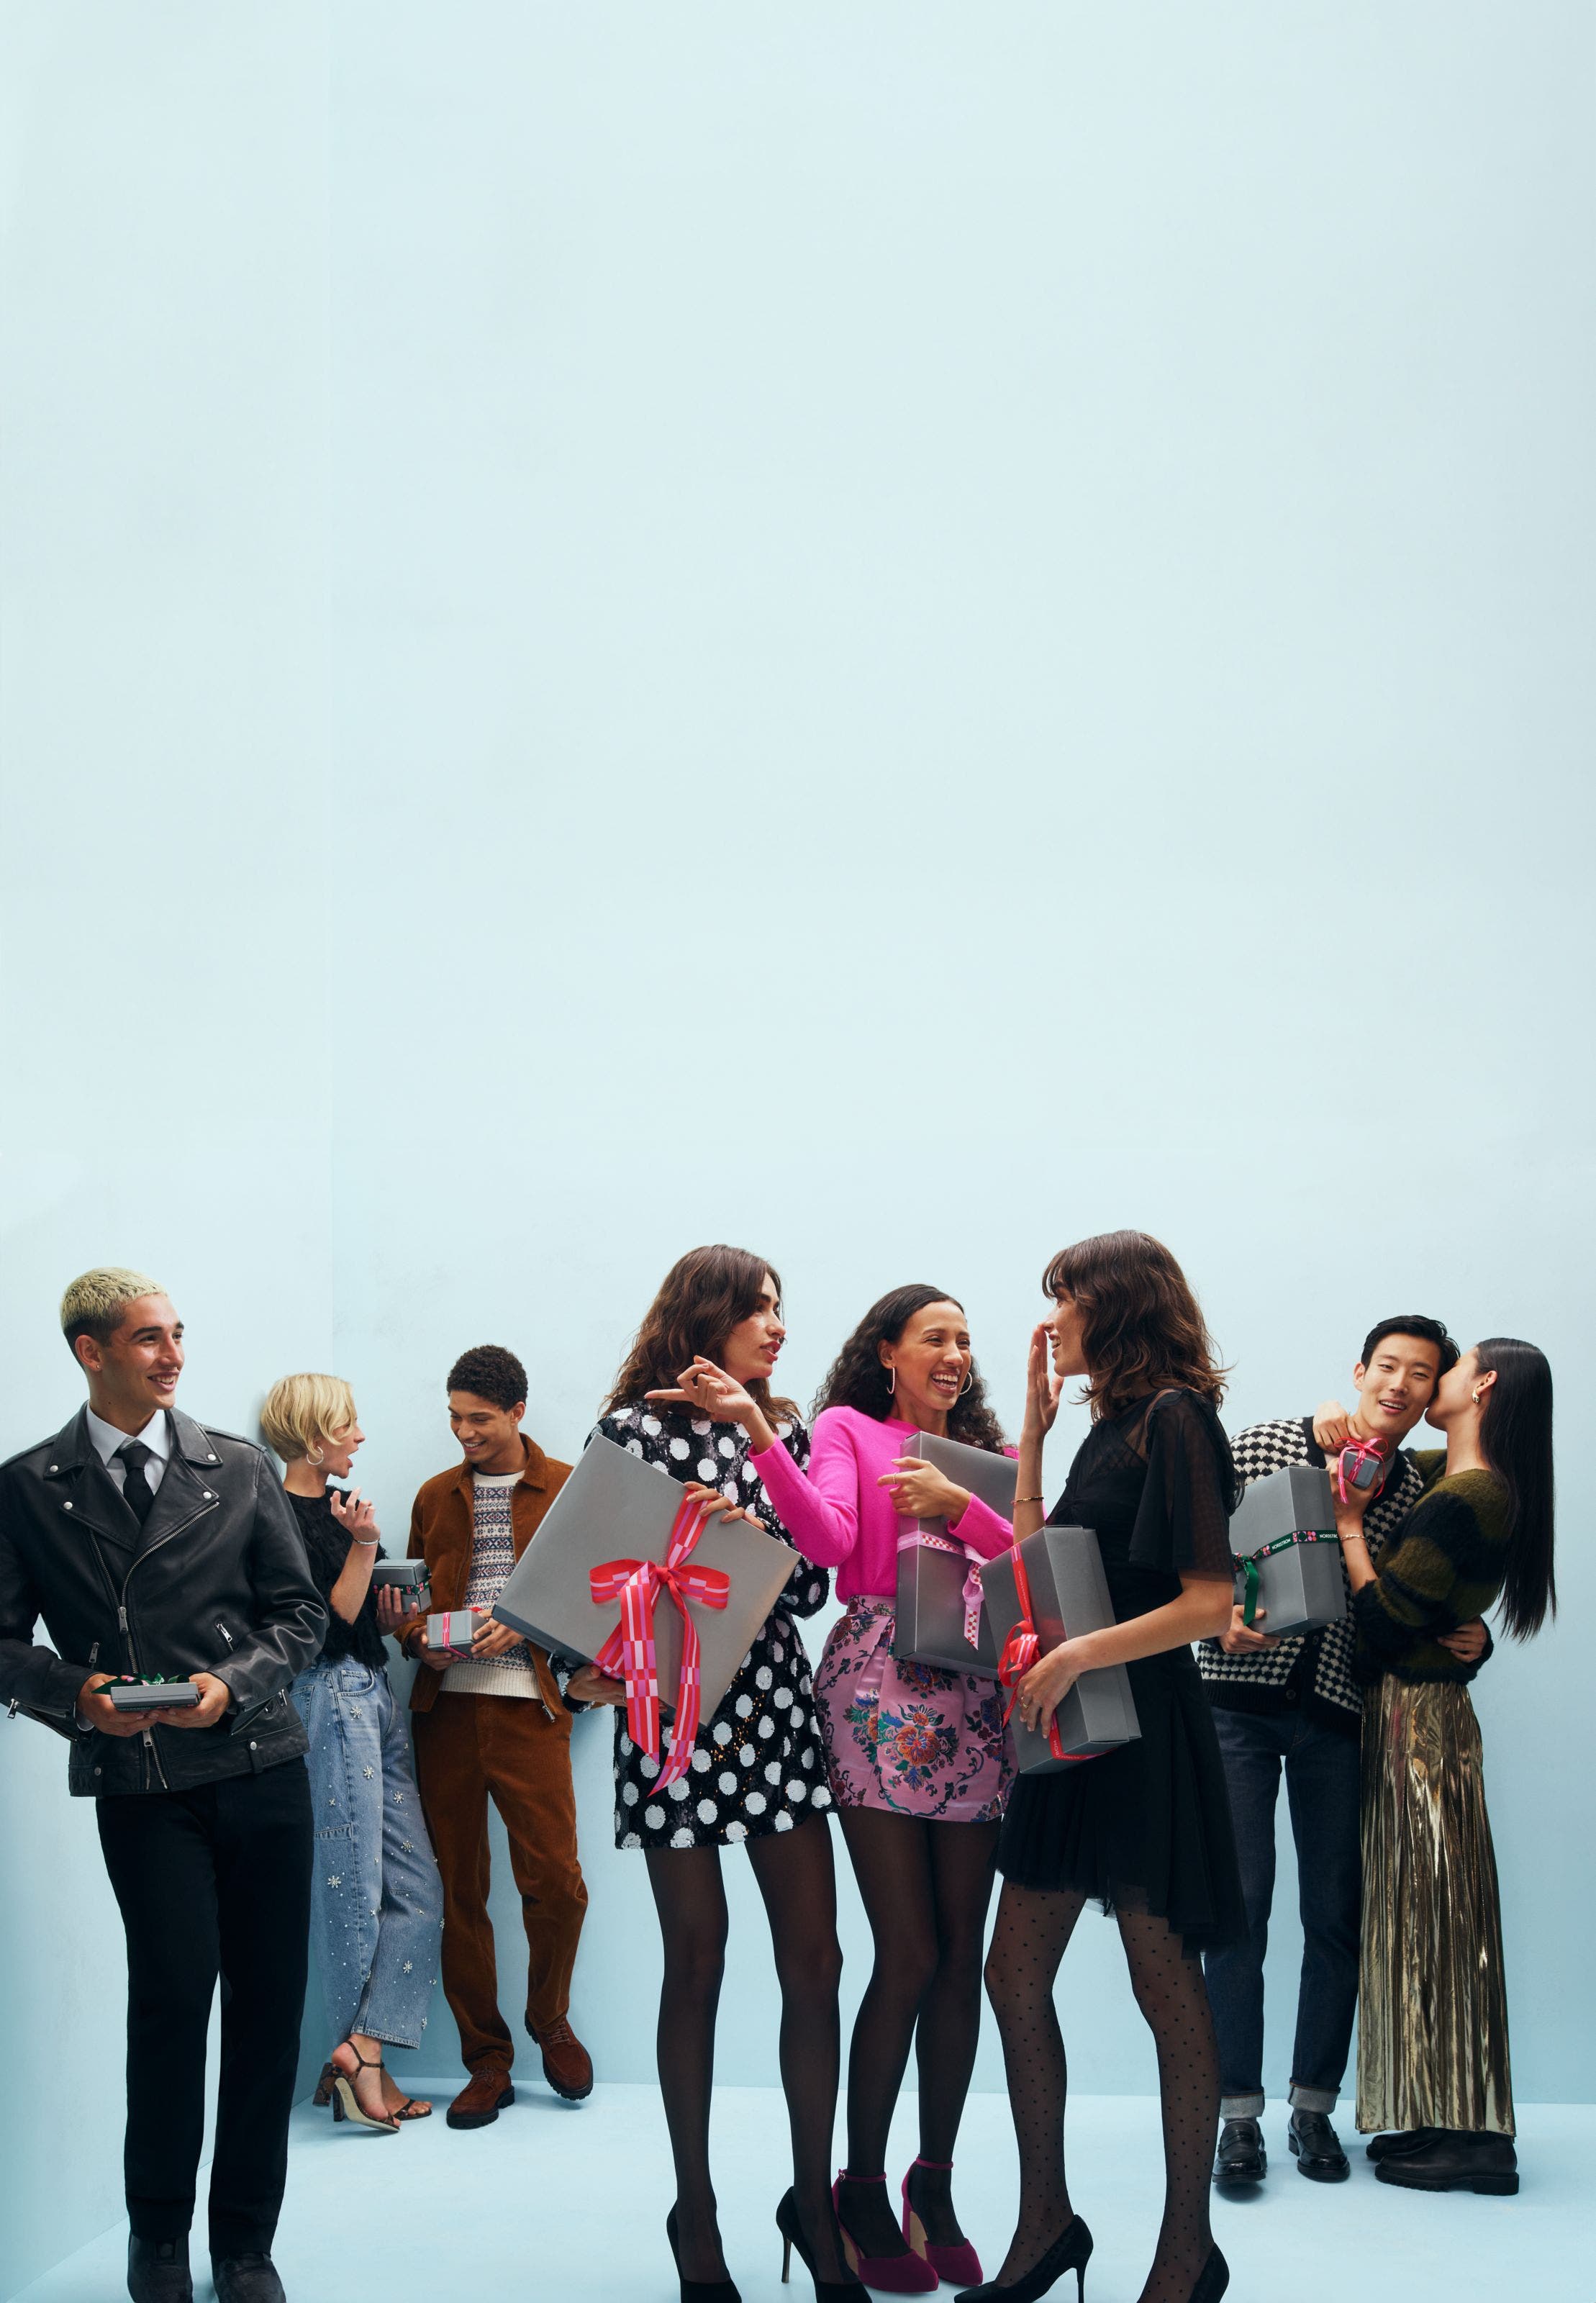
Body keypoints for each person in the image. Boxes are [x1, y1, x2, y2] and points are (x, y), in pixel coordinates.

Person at [681, 1285, 1015, 2291]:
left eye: (962, 1339)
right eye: (932, 1339)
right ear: (887, 1352)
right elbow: (823, 1544)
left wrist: (963, 1509)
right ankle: (855, 2185)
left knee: (963, 1958)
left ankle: (933, 2181)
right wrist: (757, 1432)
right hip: (875, 1690)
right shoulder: (844, 1428)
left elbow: (1031, 1571)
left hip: (977, 1699)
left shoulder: (990, 1462)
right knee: (907, 1952)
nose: (952, 1355)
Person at [0, 1270, 325, 2303]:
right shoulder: (27, 1484)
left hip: (262, 1767)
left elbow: (299, 1616)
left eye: (177, 1336)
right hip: (140, 1779)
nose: (172, 1355)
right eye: (147, 1339)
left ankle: (245, 2249)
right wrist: (73, 1692)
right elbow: (3, 1644)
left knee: (268, 2013)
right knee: (175, 2001)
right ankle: (155, 2243)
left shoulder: (235, 1466)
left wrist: (228, 1687)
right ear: (90, 1352)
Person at [574, 1244, 862, 2303]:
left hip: (774, 1705)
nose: (777, 1325)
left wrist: (756, 1548)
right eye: (758, 1308)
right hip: (669, 1708)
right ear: (707, 1314)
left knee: (816, 1963)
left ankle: (814, 2207)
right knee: (695, 1962)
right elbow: (595, 1588)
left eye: (782, 1307)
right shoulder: (629, 1430)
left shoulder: (780, 1426)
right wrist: (688, 1566)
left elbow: (811, 1584)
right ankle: (692, 2212)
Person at [976, 1231, 1244, 2303]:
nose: (1053, 1322)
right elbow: (1041, 1557)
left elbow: (1208, 1602)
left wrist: (1081, 1650)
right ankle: (1047, 2223)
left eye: (1066, 1301)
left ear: (1118, 1308)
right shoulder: (1111, 1429)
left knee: (1161, 1988)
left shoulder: (1178, 1419)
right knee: (1012, 1975)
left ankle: (1186, 2254)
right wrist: (1035, 1436)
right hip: (1072, 1732)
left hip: (1143, 1737)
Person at [1197, 1317, 1490, 2190]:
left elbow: (1419, 1595)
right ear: (1358, 1371)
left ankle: (1312, 2107)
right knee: (1239, 1911)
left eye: (1421, 1373)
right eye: (1386, 1366)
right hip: (1235, 1709)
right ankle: (1236, 2118)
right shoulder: (1267, 1442)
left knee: (1334, 1913)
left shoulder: (1421, 1491)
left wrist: (1469, 1636)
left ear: (1435, 1392)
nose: (1399, 1383)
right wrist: (1218, 1614)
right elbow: (1194, 1551)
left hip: (1336, 1715)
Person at [1323, 1336, 1554, 2197]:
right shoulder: (1444, 1474)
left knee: (1440, 1912)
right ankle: (1436, 2114)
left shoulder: (1475, 1493)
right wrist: (1330, 1427)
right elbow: (1371, 1455)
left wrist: (1348, 1526)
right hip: (1415, 1713)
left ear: (1481, 1385)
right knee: (1420, 1908)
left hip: (1421, 1723)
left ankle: (1477, 2139)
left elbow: (1384, 1618)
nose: (1432, 1378)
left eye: (1450, 1369)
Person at [394, 1344, 592, 2129]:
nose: (463, 1431)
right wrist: (417, 1638)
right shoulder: (434, 1494)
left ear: (516, 1412)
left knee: (557, 1883)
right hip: (443, 1713)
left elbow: (597, 1603)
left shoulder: (567, 1491)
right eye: (454, 1417)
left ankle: (550, 2018)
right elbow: (407, 1603)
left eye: (478, 1417)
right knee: (456, 1893)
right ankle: (487, 2057)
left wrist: (525, 1628)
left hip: (530, 1712)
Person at [260, 1372, 444, 2132]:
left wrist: (394, 1604)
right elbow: (319, 1622)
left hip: (374, 1690)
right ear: (313, 1435)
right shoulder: (273, 1513)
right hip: (327, 1695)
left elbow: (359, 1611)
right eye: (348, 1425)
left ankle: (359, 2046)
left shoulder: (342, 1508)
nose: (360, 1436)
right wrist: (364, 1547)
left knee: (418, 1888)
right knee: (351, 1884)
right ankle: (367, 2070)